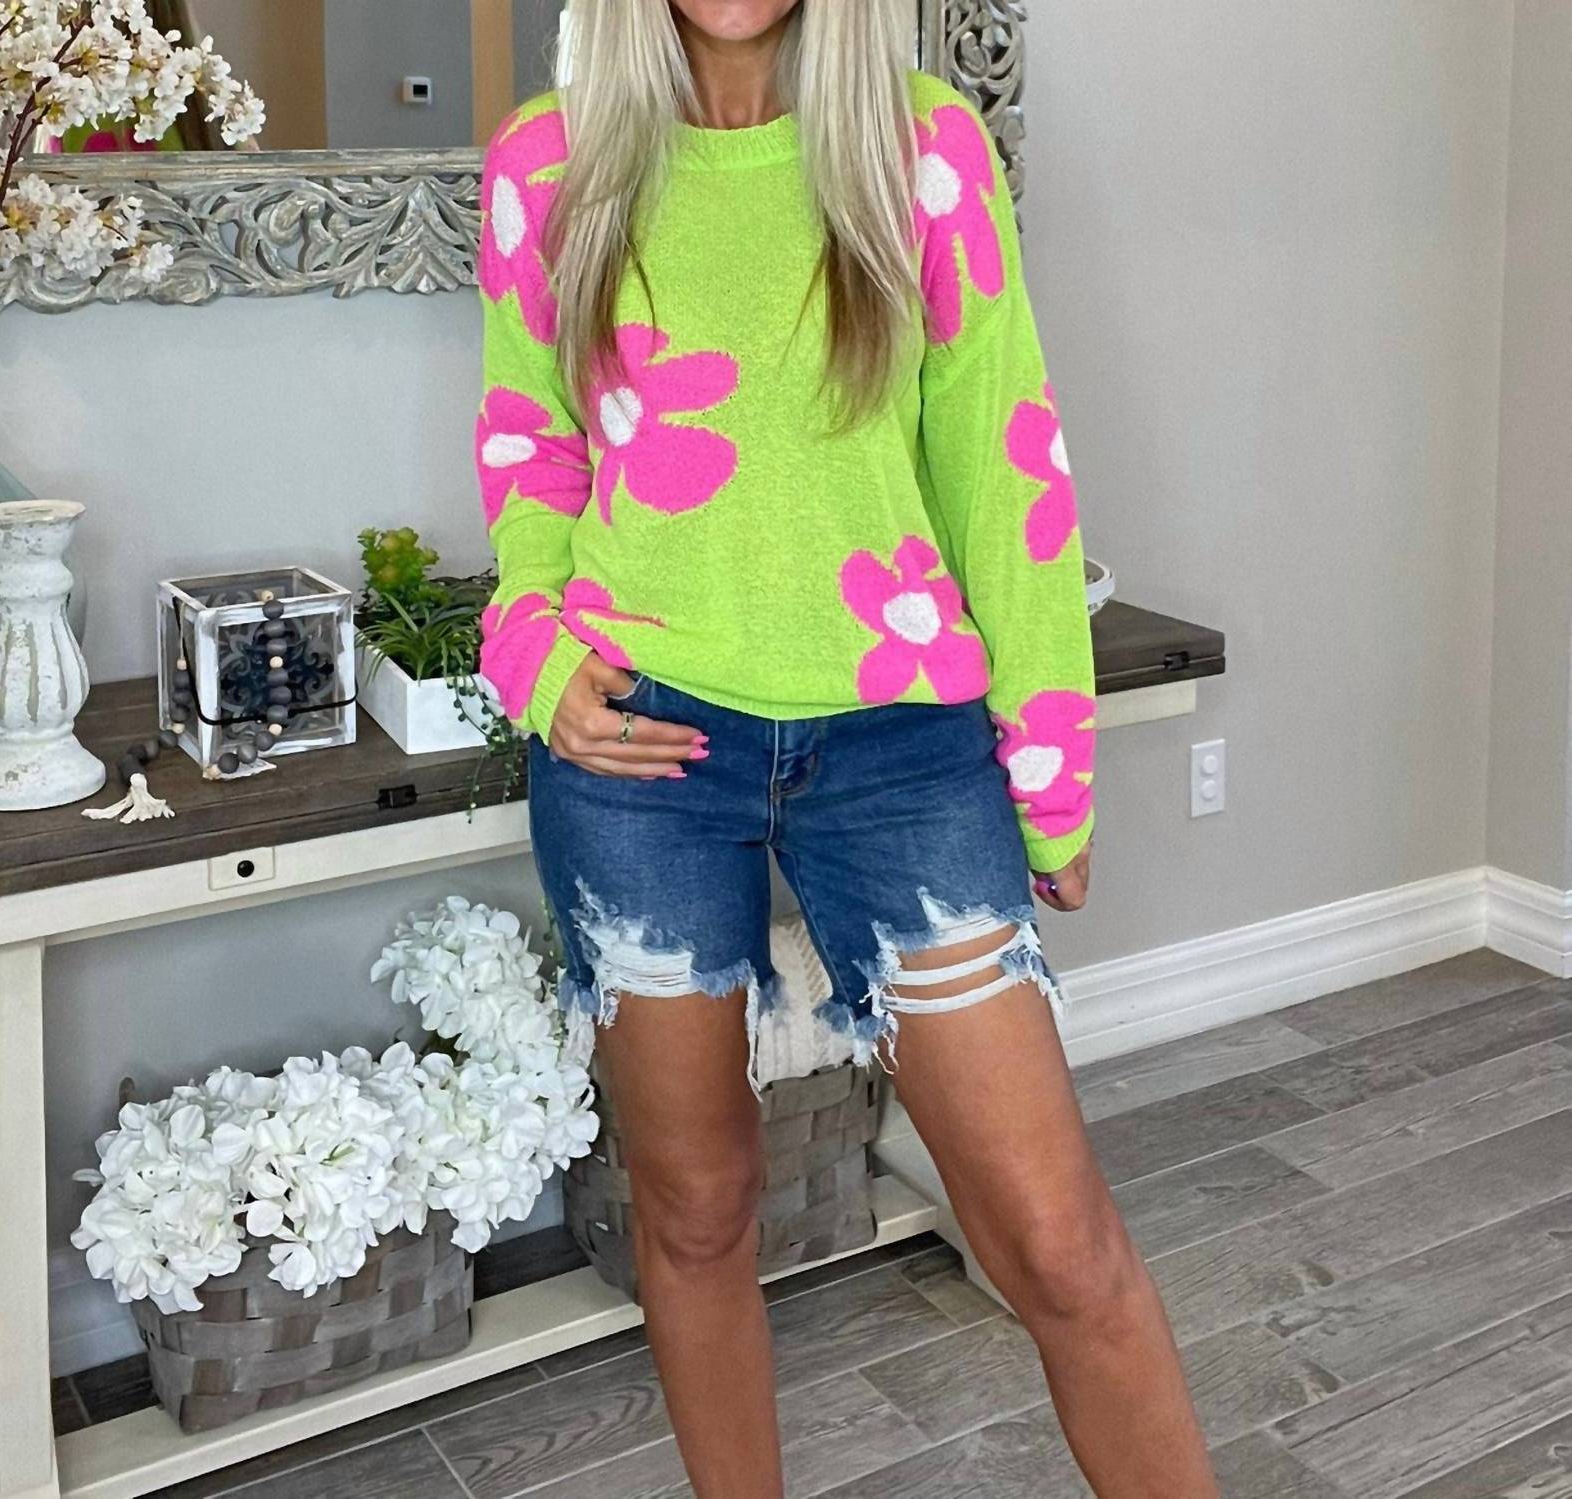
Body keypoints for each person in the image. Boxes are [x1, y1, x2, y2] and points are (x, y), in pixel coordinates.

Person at [473, 2, 1217, 1493]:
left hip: (903, 753)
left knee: (1057, 1243)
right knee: (694, 1213)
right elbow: (532, 444)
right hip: (642, 756)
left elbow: (1004, 471)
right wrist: (533, 657)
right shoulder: (549, 161)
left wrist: (1051, 773)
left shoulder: (922, 147)